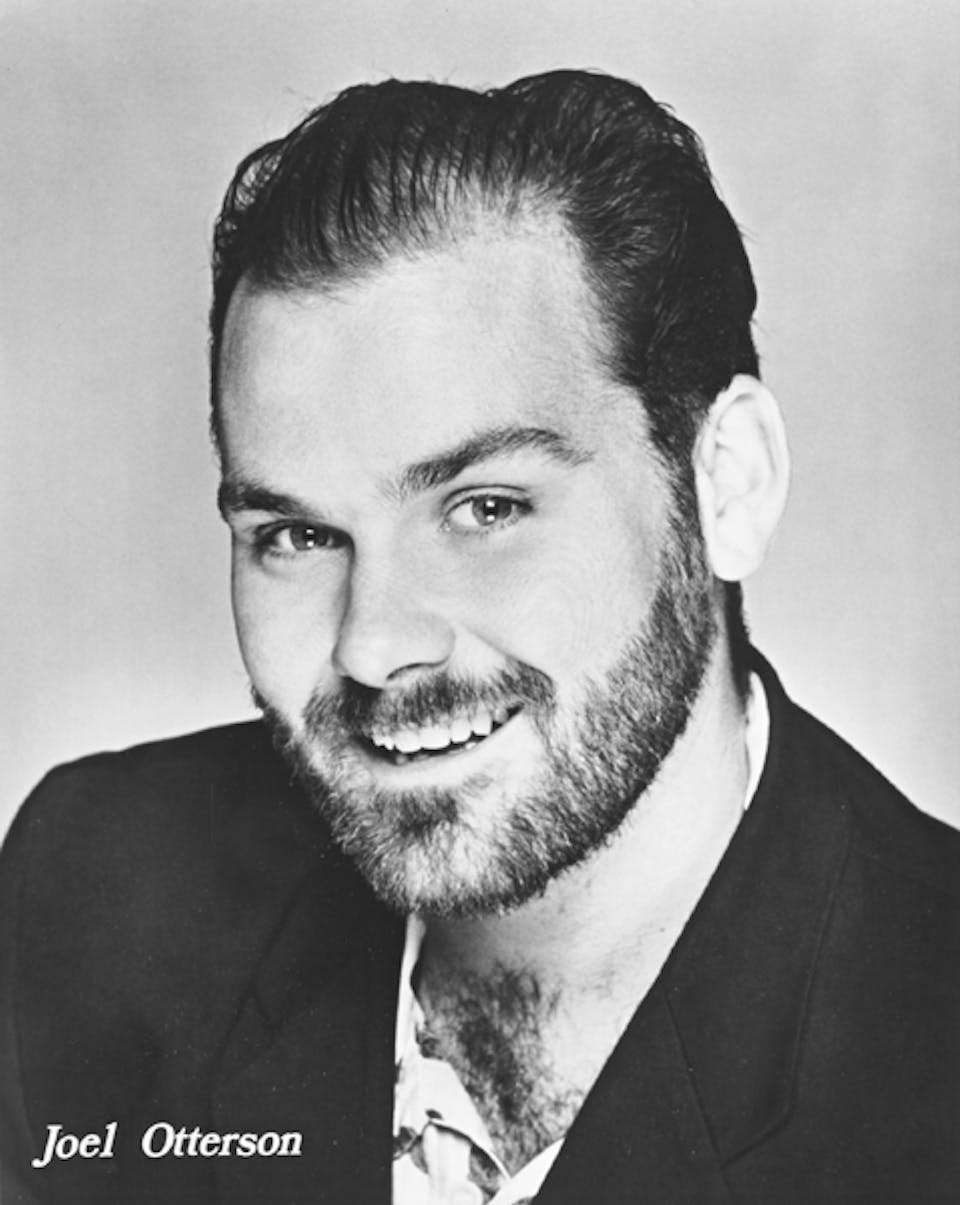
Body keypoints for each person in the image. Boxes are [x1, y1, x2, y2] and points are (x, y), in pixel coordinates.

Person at [1, 70, 958, 1205]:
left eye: (486, 507)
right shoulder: (96, 887)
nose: (374, 645)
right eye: (297, 535)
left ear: (728, 483)